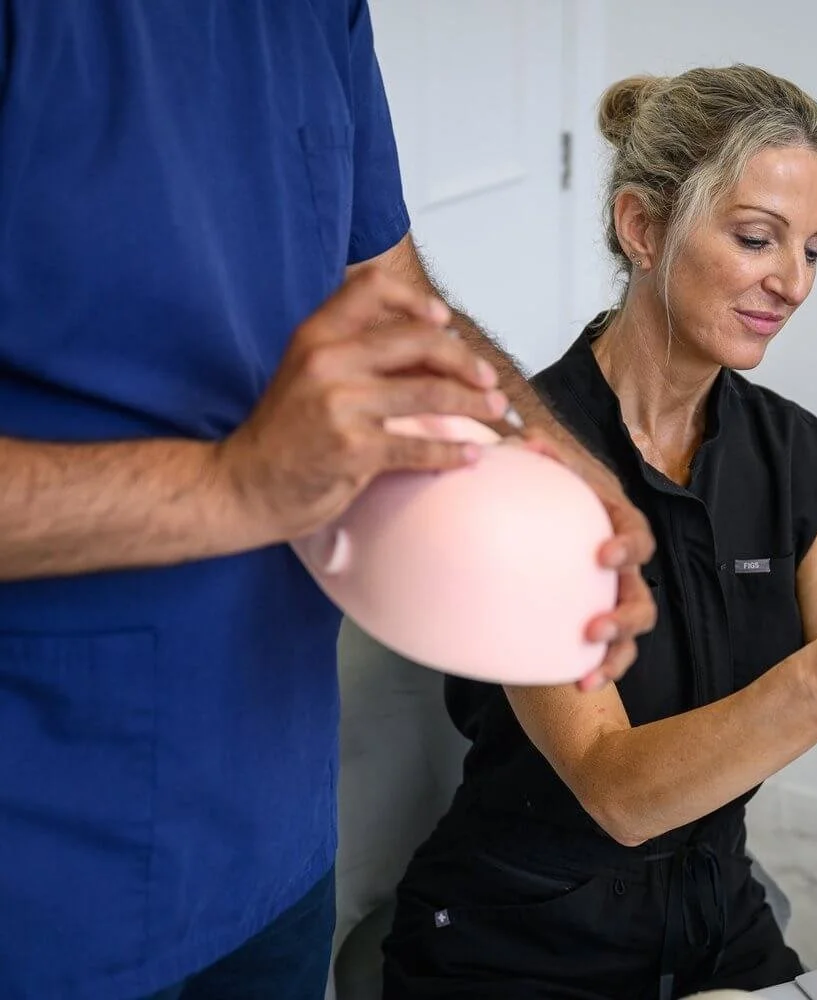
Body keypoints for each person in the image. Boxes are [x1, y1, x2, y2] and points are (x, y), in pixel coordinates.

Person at [0, 4, 656, 999]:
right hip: (44, 851)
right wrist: (234, 486)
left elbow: (384, 288)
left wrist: (559, 459)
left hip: (270, 815)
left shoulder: (313, 16)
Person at [380, 65, 817, 999]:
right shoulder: (521, 466)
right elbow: (614, 791)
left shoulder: (796, 456)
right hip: (522, 944)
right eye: (758, 238)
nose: (792, 282)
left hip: (719, 925)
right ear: (642, 227)